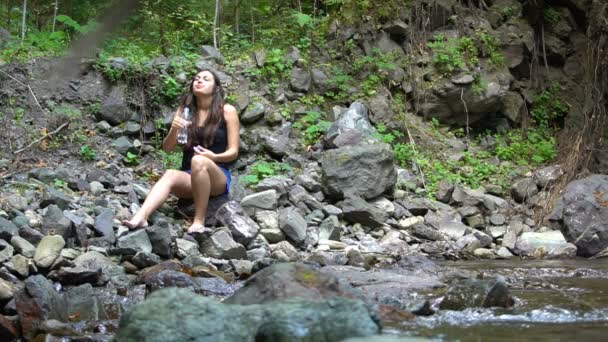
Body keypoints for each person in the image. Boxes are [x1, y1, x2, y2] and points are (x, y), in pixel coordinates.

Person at [122, 69, 240, 233]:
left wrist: (214, 156)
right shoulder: (186, 111)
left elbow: (234, 152)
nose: (199, 81)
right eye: (196, 78)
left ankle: (199, 221)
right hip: (190, 177)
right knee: (170, 173)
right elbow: (168, 149)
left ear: (216, 88)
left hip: (217, 175)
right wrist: (174, 130)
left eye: (206, 79)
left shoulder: (227, 111)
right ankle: (141, 217)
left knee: (198, 161)